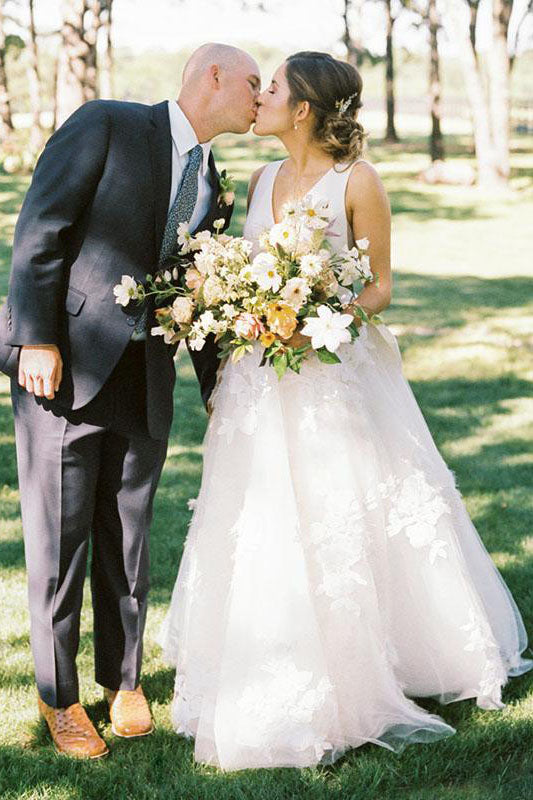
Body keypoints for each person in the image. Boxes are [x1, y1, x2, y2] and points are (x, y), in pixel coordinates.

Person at [159, 51, 533, 771]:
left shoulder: (356, 181)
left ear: (302, 108)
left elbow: (380, 285)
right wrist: (244, 307)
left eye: (272, 89)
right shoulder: (259, 179)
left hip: (332, 374)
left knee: (345, 511)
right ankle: (260, 653)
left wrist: (317, 319)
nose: (261, 97)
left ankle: (371, 662)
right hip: (259, 379)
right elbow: (234, 270)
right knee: (259, 512)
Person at [0, 42, 260, 760]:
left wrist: (219, 385)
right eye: (252, 83)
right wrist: (36, 339)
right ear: (213, 76)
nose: (259, 98)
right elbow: (41, 228)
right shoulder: (108, 123)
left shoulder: (214, 180)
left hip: (146, 377)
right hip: (63, 368)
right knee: (60, 543)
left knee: (129, 539)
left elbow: (204, 289)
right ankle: (59, 698)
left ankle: (124, 681)